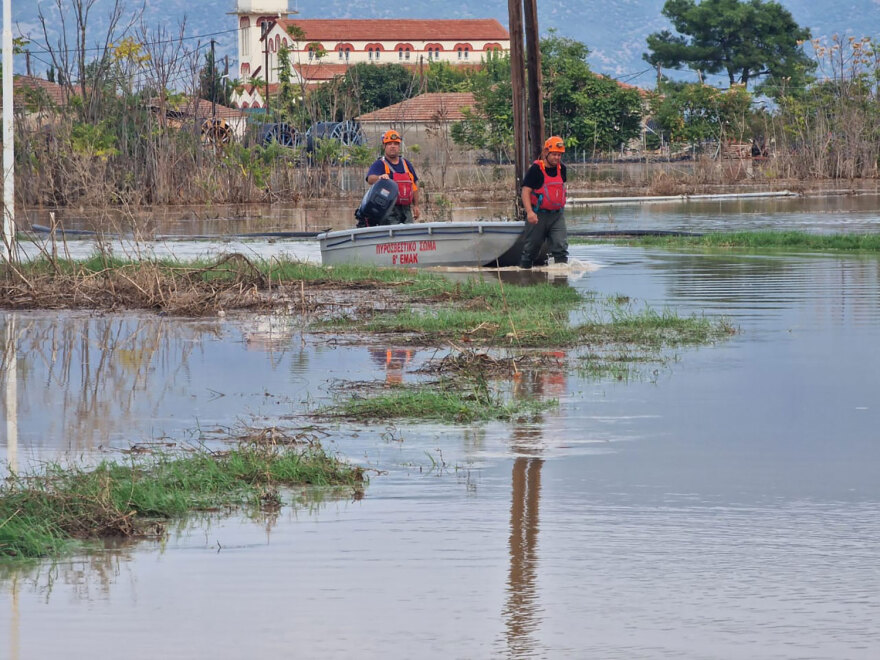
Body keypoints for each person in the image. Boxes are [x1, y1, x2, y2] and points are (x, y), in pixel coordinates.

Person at [519, 136, 568, 269]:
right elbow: (525, 191)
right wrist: (529, 212)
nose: (557, 158)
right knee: (531, 249)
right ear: (546, 152)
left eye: (559, 155)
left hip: (557, 216)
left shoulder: (562, 169)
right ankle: (524, 276)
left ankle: (561, 279)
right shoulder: (535, 170)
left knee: (561, 246)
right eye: (554, 154)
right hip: (538, 215)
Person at [365, 129, 421, 224]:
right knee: (394, 235)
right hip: (389, 210)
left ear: (399, 146)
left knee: (408, 235)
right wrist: (380, 178)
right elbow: (370, 179)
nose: (392, 146)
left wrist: (416, 206)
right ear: (384, 146)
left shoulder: (406, 164)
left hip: (406, 210)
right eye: (389, 144)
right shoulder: (379, 164)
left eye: (395, 144)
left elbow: (414, 185)